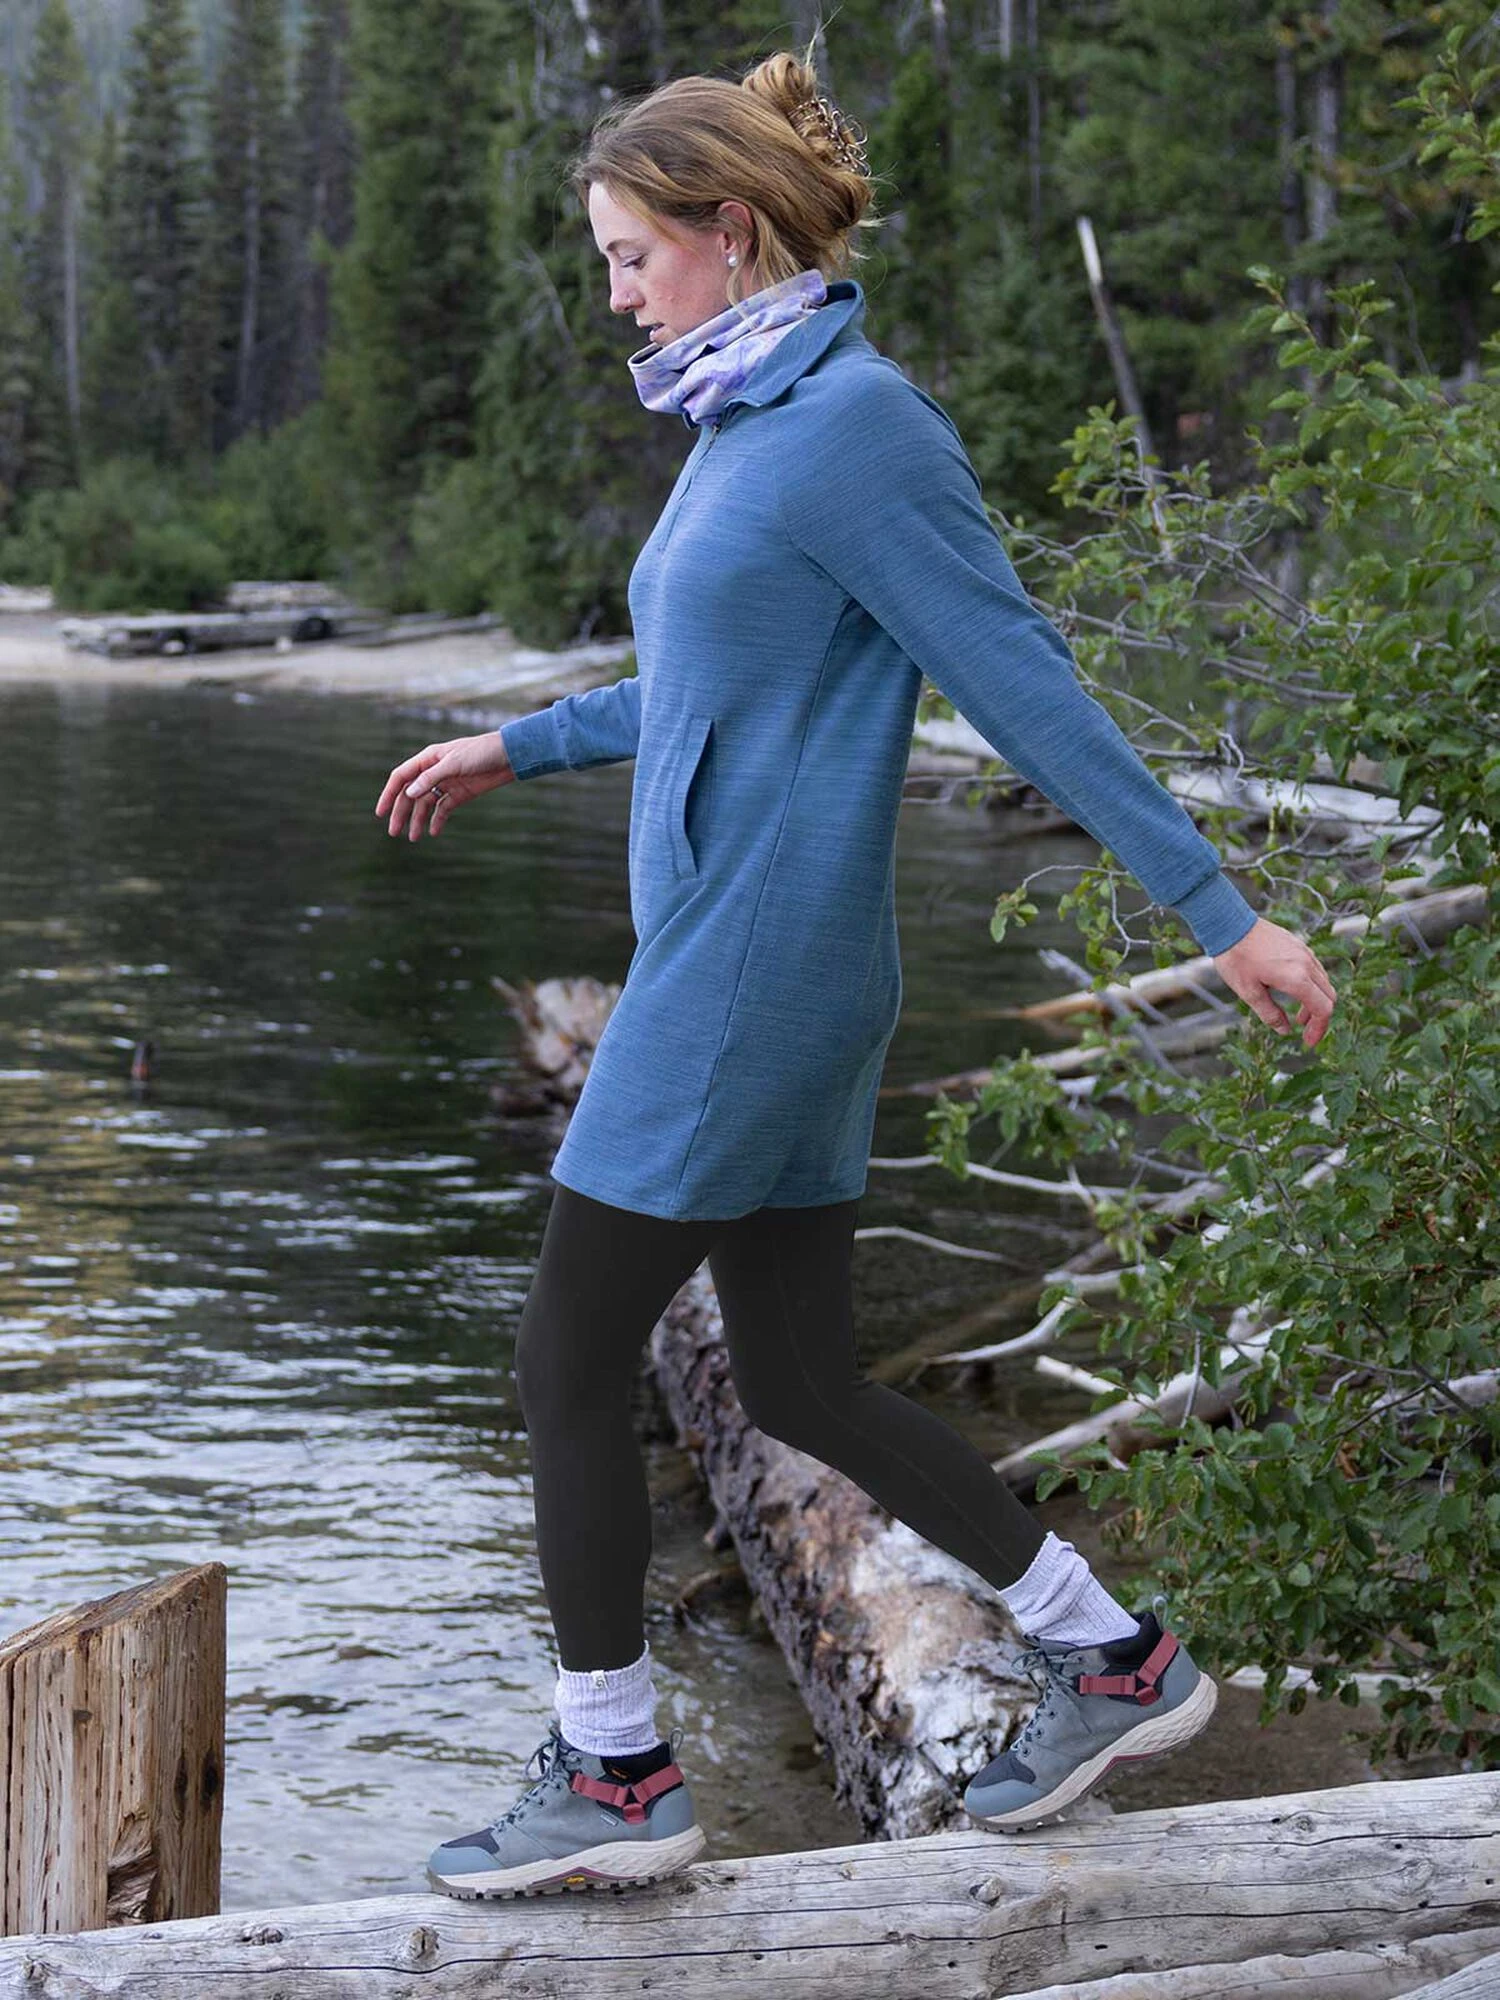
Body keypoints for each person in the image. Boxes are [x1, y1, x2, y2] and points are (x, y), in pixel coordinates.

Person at [376, 50, 1338, 1901]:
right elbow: (713, 681)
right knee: (805, 1381)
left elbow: (1020, 682)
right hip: (769, 969)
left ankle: (616, 1772)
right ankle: (1115, 1656)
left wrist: (1220, 912)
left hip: (748, 977)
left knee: (565, 1358)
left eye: (630, 254)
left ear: (730, 231)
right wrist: (522, 744)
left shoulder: (858, 428)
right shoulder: (746, 420)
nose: (615, 292)